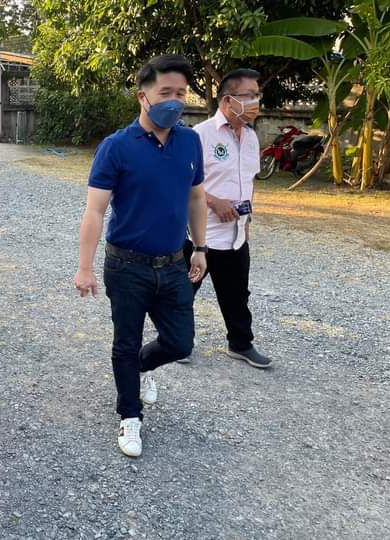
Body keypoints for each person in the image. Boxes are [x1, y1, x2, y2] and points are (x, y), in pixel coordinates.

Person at [74, 55, 209, 458]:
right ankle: (130, 415)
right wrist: (85, 267)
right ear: (143, 96)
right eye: (165, 92)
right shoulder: (116, 147)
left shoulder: (190, 141)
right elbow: (95, 211)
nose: (174, 100)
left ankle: (143, 368)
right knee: (125, 342)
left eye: (181, 93)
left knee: (180, 342)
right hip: (126, 265)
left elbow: (196, 197)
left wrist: (201, 248)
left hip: (174, 262)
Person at [183, 69, 271, 368]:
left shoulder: (251, 137)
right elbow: (183, 181)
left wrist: (248, 217)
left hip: (236, 234)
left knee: (237, 294)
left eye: (257, 95)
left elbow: (249, 180)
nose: (256, 102)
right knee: (183, 293)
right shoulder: (200, 135)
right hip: (201, 235)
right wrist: (214, 201)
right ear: (228, 100)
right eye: (250, 96)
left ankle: (240, 344)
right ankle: (177, 341)